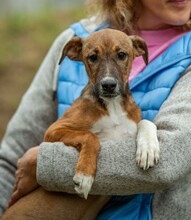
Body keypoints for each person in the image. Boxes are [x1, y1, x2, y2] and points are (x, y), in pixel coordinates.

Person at [1, 0, 191, 219]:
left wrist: (44, 162)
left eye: (121, 56)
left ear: (139, 52)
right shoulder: (75, 38)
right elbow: (11, 157)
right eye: (93, 58)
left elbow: (164, 164)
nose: (108, 77)